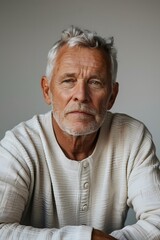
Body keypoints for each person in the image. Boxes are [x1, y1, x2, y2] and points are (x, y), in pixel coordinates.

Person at [0, 26, 159, 240]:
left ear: (112, 95)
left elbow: (157, 220)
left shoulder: (133, 137)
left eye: (95, 82)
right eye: (69, 81)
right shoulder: (20, 145)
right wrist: (87, 238)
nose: (81, 96)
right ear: (47, 91)